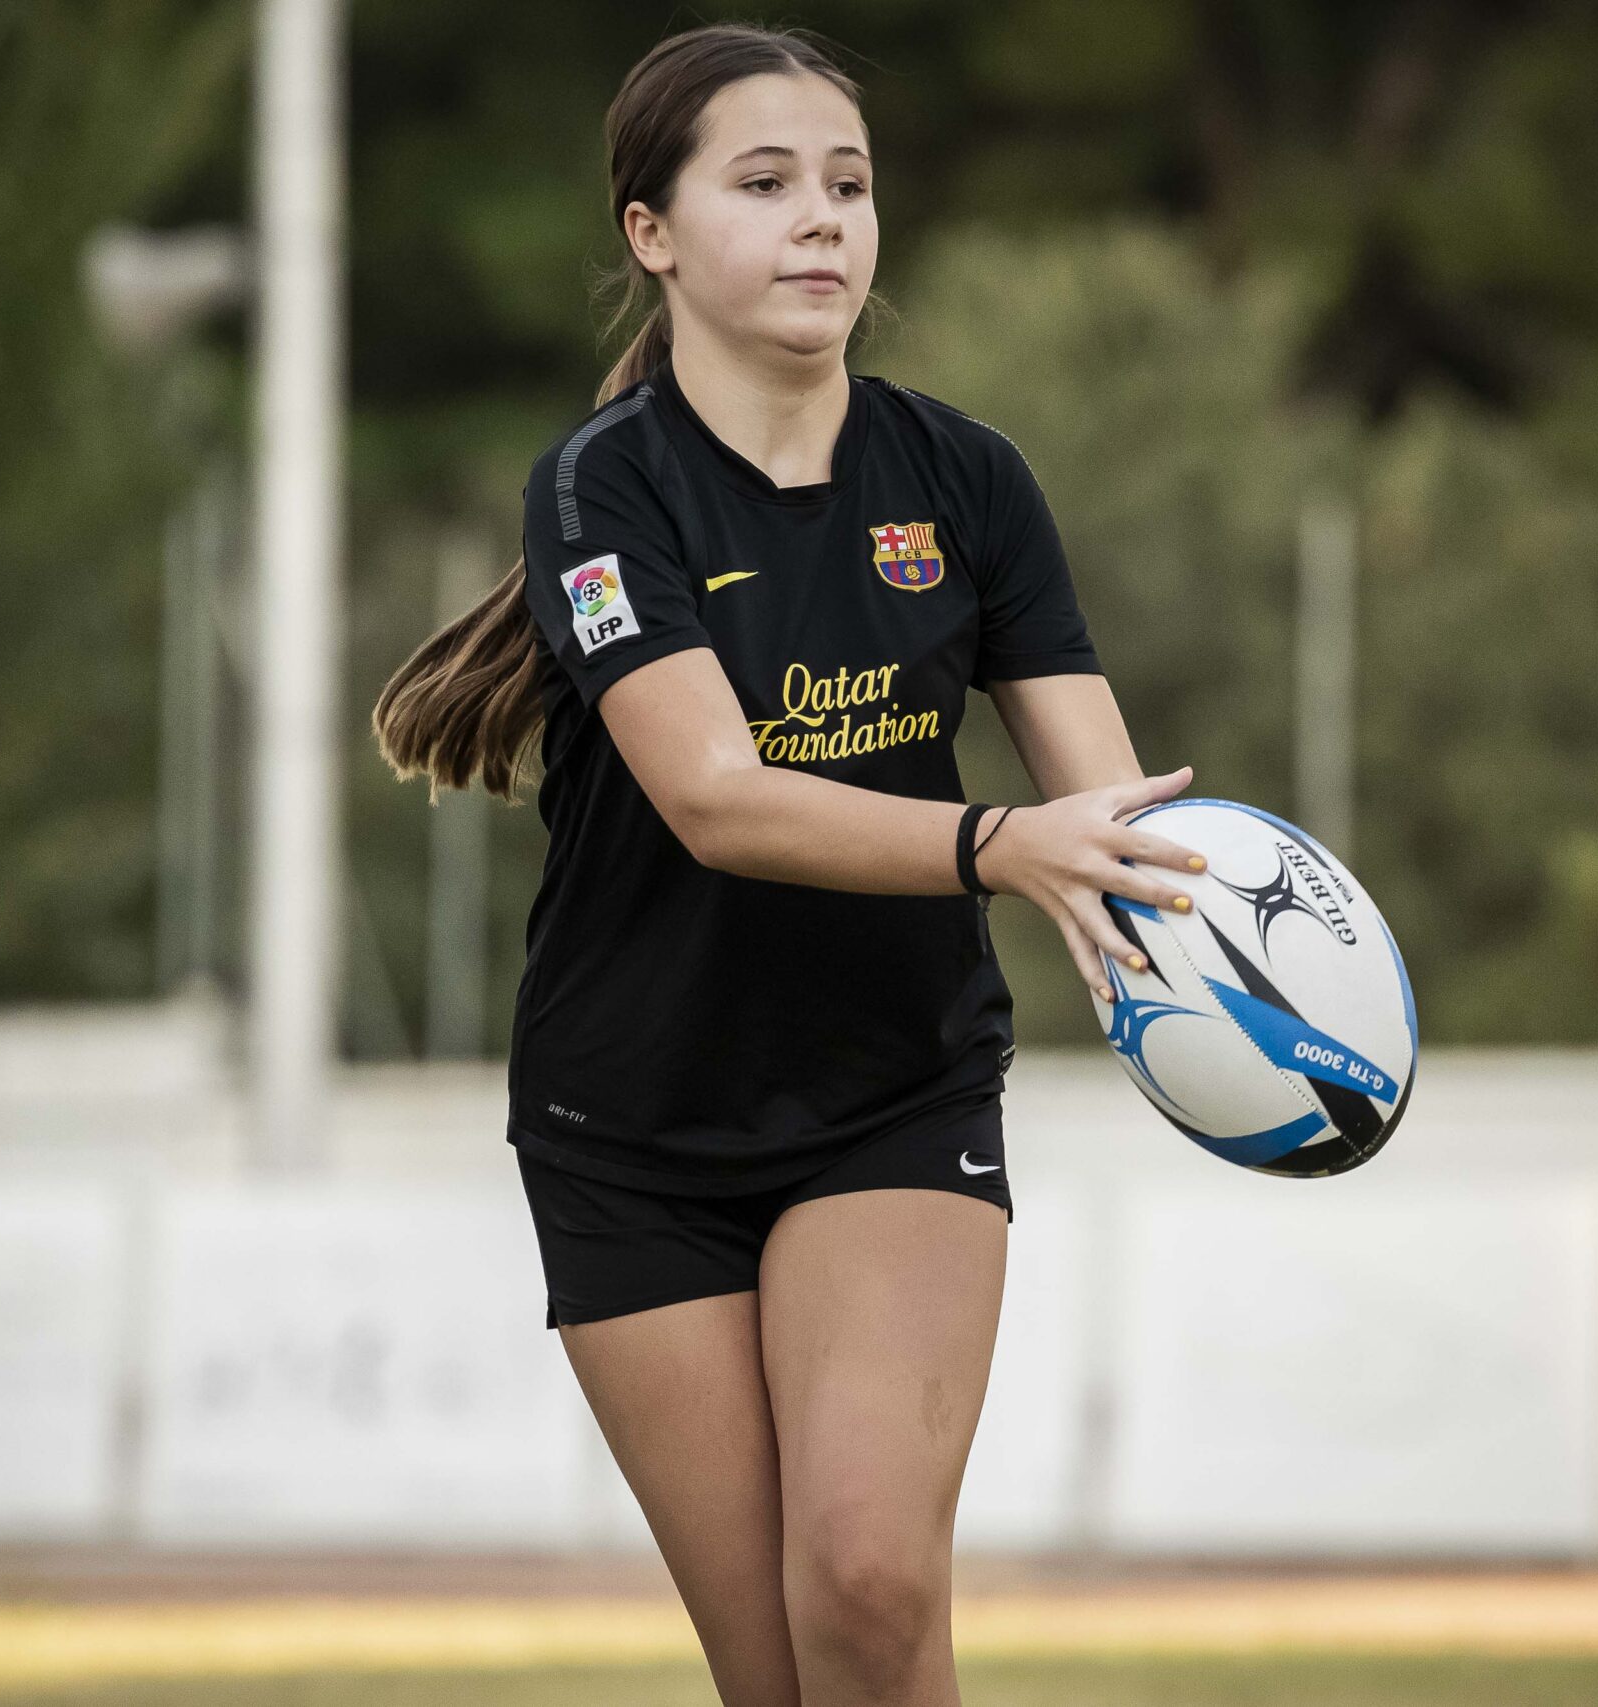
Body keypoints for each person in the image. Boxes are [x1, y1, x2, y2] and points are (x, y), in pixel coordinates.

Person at [373, 23, 1203, 1706]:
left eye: (849, 183)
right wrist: (997, 846)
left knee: (872, 1589)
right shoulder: (601, 491)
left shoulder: (967, 478)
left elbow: (1110, 816)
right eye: (763, 184)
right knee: (779, 1678)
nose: (823, 216)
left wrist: (1256, 991)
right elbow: (717, 798)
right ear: (652, 233)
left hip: (892, 1096)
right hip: (631, 1136)